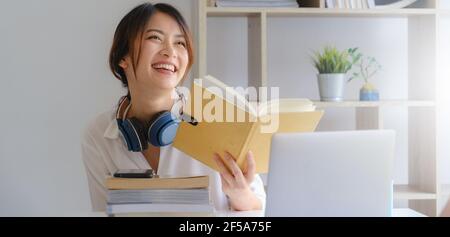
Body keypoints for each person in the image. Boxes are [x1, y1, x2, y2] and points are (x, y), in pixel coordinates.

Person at [81, 2, 265, 212]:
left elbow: (261, 211)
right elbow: (103, 214)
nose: (170, 52)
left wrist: (241, 195)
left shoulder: (215, 116)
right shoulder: (98, 134)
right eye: (155, 38)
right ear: (123, 56)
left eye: (180, 43)